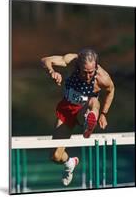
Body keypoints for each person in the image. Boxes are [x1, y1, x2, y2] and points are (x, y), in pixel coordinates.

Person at [41, 48, 115, 186]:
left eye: (91, 72)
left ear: (96, 67)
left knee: (93, 102)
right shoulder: (71, 61)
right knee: (55, 156)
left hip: (85, 110)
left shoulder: (102, 77)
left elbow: (111, 90)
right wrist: (52, 72)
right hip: (67, 110)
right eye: (84, 72)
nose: (88, 76)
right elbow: (45, 60)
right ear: (78, 66)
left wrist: (104, 114)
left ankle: (89, 121)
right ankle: (70, 162)